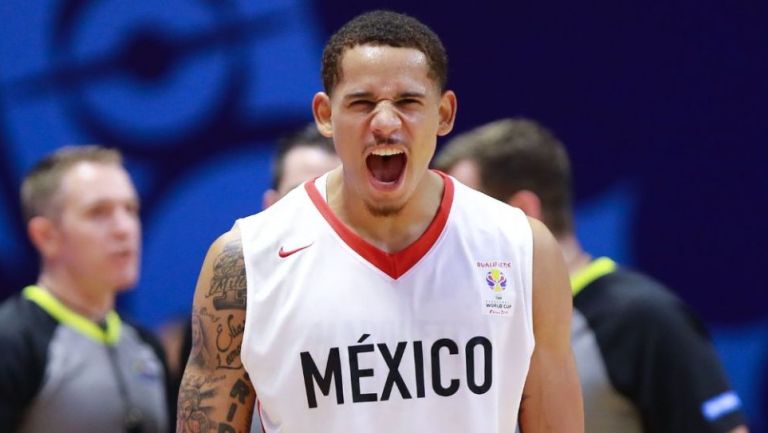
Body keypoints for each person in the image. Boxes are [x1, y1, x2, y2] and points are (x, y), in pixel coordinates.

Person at [177, 11, 583, 433]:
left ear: (444, 113)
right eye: (362, 102)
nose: (386, 124)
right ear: (324, 114)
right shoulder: (245, 260)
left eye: (408, 102)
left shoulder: (522, 249)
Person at [434, 118, 749, 433]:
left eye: (466, 218)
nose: (448, 240)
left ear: (522, 213)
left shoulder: (643, 319)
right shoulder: (476, 331)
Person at [0, 145, 171, 433]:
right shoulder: (12, 341)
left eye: (130, 210)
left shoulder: (146, 346)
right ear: (46, 236)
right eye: (99, 212)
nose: (124, 228)